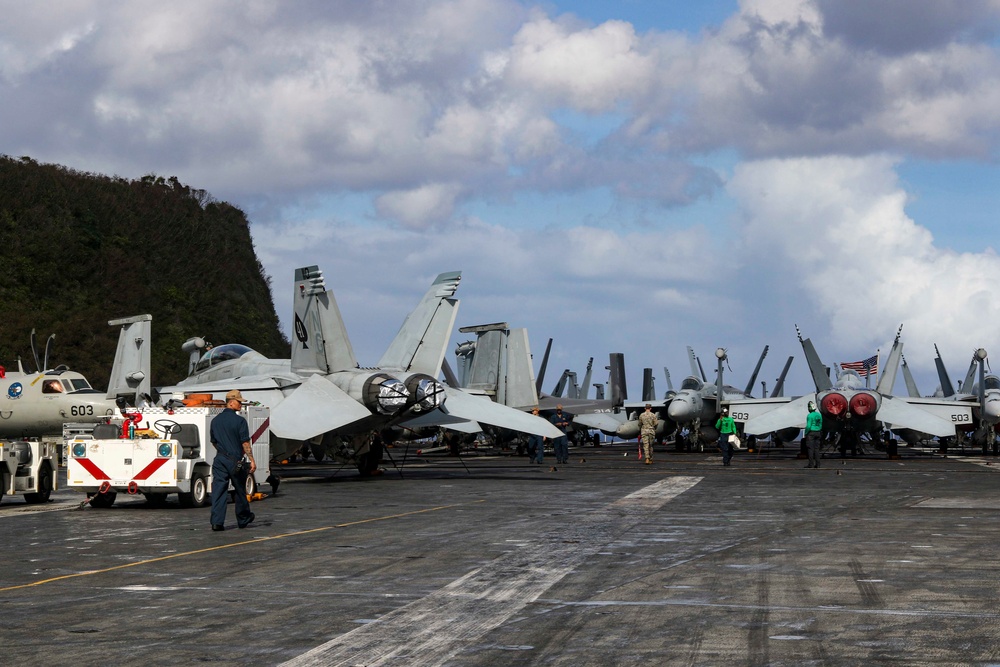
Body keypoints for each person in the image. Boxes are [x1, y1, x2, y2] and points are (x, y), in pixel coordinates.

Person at [209, 389, 257, 531]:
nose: (241, 405)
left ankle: (217, 522)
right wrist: (252, 460)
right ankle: (243, 518)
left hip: (220, 459)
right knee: (240, 490)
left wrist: (223, 451)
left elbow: (214, 441)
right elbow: (245, 443)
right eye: (239, 402)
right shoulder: (240, 421)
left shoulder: (215, 421)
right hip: (235, 460)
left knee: (218, 491)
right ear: (231, 403)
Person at [804, 400, 823, 468]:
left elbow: (808, 426)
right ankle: (818, 464)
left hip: (811, 433)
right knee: (817, 449)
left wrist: (806, 433)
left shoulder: (809, 416)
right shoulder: (819, 415)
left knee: (810, 449)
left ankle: (811, 464)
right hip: (818, 432)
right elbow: (821, 424)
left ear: (810, 408)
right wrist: (819, 429)